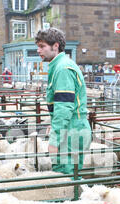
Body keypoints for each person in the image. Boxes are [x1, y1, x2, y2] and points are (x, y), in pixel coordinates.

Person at [35, 28, 92, 175]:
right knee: (66, 176)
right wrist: (52, 124)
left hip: (71, 129)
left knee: (65, 179)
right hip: (71, 126)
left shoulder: (62, 69)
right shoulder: (59, 66)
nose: (38, 50)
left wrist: (55, 140)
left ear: (55, 46)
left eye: (42, 46)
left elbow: (64, 107)